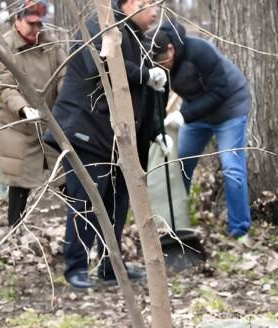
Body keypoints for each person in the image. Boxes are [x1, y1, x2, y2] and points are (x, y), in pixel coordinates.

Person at [49, 0, 166, 290]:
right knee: (87, 201)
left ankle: (109, 266)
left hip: (115, 140)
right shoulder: (100, 26)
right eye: (148, 4)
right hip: (85, 132)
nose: (155, 12)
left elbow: (143, 96)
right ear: (128, 4)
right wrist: (145, 75)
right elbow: (102, 63)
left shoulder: (136, 37)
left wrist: (156, 130)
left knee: (117, 203)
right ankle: (75, 267)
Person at [149, 24, 252, 238]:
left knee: (232, 167)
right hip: (197, 112)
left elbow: (219, 92)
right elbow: (157, 97)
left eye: (163, 60)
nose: (162, 66)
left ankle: (239, 230)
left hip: (230, 109)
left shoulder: (199, 51)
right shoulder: (161, 64)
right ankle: (176, 225)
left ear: (171, 49)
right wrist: (159, 128)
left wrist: (183, 116)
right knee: (181, 164)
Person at [0, 1, 65, 228]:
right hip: (20, 127)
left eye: (39, 24)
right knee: (20, 184)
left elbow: (65, 75)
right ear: (17, 19)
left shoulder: (50, 43)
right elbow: (5, 88)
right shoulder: (3, 46)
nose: (36, 30)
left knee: (67, 178)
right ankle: (14, 231)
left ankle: (82, 224)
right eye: (31, 24)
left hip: (52, 122)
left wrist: (65, 102)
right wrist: (23, 109)